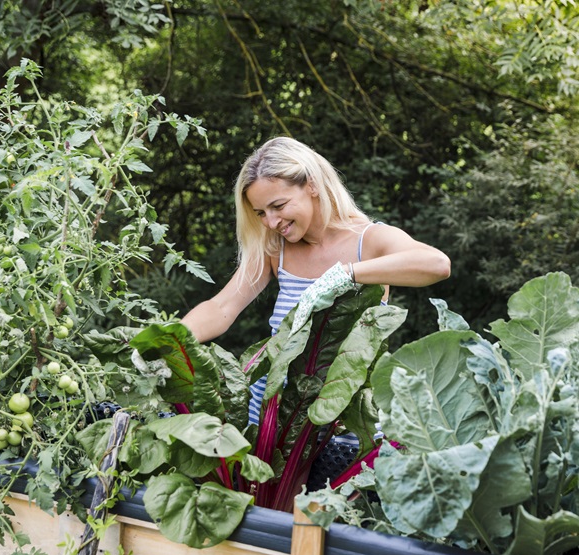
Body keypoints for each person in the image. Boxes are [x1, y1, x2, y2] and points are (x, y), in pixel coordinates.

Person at [182, 136, 451, 432]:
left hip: (341, 422)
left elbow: (437, 265)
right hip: (274, 416)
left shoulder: (370, 240)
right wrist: (168, 341)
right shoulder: (275, 249)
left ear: (311, 185)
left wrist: (347, 273)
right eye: (261, 213)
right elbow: (221, 307)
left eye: (278, 205)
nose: (271, 222)